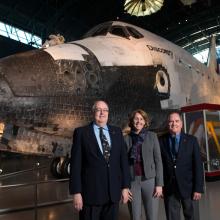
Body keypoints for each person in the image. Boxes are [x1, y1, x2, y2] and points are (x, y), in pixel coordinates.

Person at [69, 100, 131, 220]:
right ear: (93, 112)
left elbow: (123, 161)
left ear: (108, 113)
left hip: (112, 195)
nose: (102, 113)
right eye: (98, 110)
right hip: (91, 195)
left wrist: (125, 187)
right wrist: (76, 192)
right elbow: (75, 165)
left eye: (105, 110)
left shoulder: (117, 132)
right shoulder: (81, 133)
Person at [159, 111, 204, 220]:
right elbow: (160, 165)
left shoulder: (192, 141)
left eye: (176, 121)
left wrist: (198, 188)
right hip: (170, 188)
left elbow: (198, 166)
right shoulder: (161, 141)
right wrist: (160, 185)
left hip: (189, 188)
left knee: (192, 217)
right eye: (171, 121)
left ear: (181, 123)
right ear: (167, 124)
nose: (174, 124)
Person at [124, 109, 163, 220]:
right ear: (132, 121)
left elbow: (158, 161)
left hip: (150, 180)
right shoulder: (126, 139)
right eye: (136, 118)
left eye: (141, 119)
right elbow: (123, 164)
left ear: (145, 122)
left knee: (152, 216)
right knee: (135, 216)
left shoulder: (152, 136)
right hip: (132, 182)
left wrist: (159, 184)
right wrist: (125, 186)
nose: (139, 121)